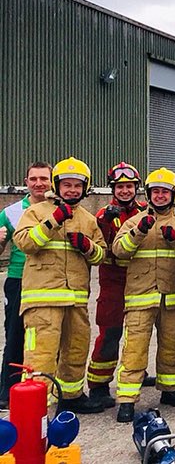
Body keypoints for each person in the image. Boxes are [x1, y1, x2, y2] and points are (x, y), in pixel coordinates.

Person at [12, 157, 106, 414]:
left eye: (77, 185)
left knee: (76, 349)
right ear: (57, 186)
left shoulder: (88, 220)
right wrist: (53, 221)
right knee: (40, 356)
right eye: (67, 185)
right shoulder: (37, 212)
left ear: (85, 188)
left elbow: (102, 256)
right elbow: (24, 243)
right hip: (42, 301)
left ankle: (72, 396)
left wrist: (88, 247)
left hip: (76, 300)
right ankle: (34, 406)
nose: (72, 190)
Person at [111, 168, 175, 422]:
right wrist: (138, 232)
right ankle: (126, 399)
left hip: (171, 298)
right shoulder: (133, 222)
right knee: (134, 349)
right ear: (148, 193)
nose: (159, 196)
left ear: (174, 194)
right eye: (155, 191)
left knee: (171, 346)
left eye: (164, 191)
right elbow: (118, 251)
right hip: (140, 298)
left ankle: (169, 390)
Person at [87, 162, 148, 409]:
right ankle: (99, 384)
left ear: (136, 188)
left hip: (140, 279)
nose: (125, 191)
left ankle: (137, 373)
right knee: (110, 332)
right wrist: (104, 224)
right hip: (113, 280)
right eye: (120, 186)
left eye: (129, 186)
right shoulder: (103, 216)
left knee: (139, 332)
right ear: (113, 188)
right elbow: (99, 245)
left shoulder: (145, 211)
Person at [0, 161, 50, 408]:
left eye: (44, 178)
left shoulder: (58, 209)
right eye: (34, 179)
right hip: (19, 281)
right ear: (26, 182)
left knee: (46, 340)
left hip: (48, 281)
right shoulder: (9, 213)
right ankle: (7, 394)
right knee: (15, 336)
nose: (39, 183)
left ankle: (44, 389)